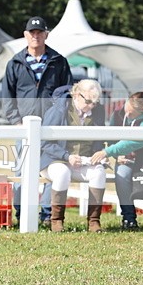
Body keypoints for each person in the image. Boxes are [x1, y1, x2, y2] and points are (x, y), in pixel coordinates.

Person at [1, 16, 74, 227]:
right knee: (21, 172)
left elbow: (67, 93)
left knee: (55, 168)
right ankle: (21, 213)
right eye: (32, 33)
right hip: (23, 128)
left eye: (39, 32)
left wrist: (60, 120)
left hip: (52, 128)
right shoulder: (14, 63)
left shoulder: (59, 61)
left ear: (46, 35)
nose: (36, 36)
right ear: (25, 35)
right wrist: (16, 123)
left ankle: (47, 214)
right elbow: (7, 96)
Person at [90, 91, 143, 231]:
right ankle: (129, 218)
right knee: (122, 176)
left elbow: (133, 142)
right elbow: (112, 138)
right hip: (126, 158)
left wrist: (107, 152)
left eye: (131, 113)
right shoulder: (118, 114)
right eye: (127, 109)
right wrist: (117, 156)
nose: (127, 114)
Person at [40, 79, 107, 232]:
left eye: (95, 103)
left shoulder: (98, 111)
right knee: (62, 173)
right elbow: (45, 143)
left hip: (84, 160)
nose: (91, 106)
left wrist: (100, 154)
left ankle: (94, 221)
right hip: (54, 160)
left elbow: (100, 138)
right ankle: (56, 220)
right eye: (89, 102)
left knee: (99, 173)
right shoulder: (58, 110)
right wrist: (66, 156)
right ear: (77, 95)